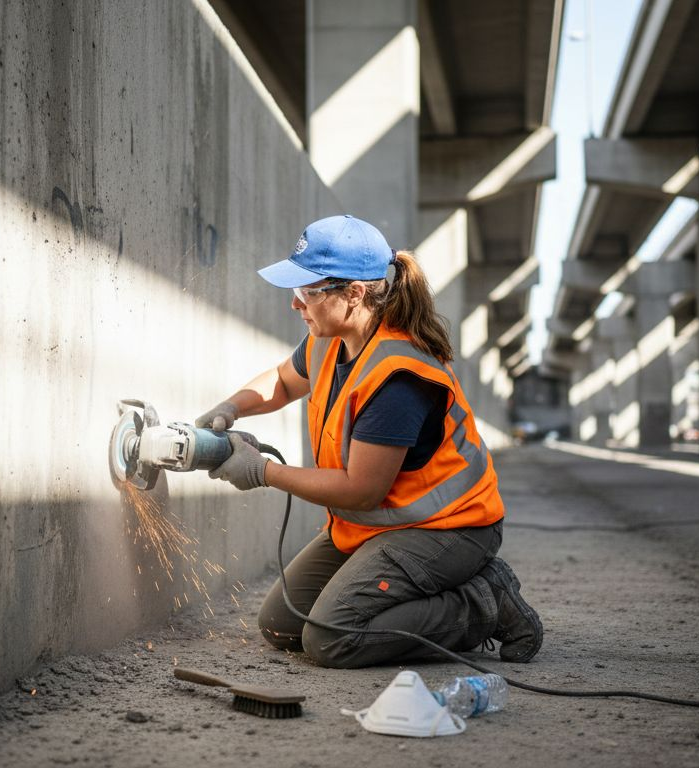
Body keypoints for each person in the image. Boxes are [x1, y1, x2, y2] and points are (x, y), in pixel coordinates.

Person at [196, 214, 543, 669]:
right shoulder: (329, 340)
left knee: (331, 640)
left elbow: (363, 489)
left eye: (306, 292)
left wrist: (263, 471)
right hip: (376, 526)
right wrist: (230, 408)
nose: (296, 305)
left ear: (355, 293)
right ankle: (429, 596)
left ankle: (484, 602)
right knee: (282, 625)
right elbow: (282, 382)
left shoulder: (399, 377)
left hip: (448, 529)